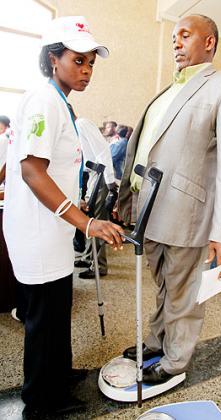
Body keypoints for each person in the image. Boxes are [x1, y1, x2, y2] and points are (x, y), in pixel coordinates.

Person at [118, 14, 221, 385]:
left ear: (209, 42)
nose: (175, 42)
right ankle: (157, 342)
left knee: (184, 293)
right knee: (165, 286)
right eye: (173, 36)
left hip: (188, 213)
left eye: (185, 35)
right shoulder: (168, 89)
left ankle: (175, 361)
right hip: (152, 210)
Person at [3, 15, 124, 416]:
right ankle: (41, 401)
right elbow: (32, 171)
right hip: (38, 233)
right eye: (78, 61)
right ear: (53, 59)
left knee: (58, 312)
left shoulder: (59, 101)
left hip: (52, 229)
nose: (87, 71)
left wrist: (77, 203)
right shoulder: (43, 100)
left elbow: (55, 169)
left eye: (91, 62)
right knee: (44, 321)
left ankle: (57, 373)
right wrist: (86, 221)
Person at [75, 116, 117, 278]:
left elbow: (103, 151)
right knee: (88, 218)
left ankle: (99, 266)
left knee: (97, 221)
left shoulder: (82, 124)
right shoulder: (73, 129)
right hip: (92, 177)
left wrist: (110, 182)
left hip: (101, 179)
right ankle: (88, 257)